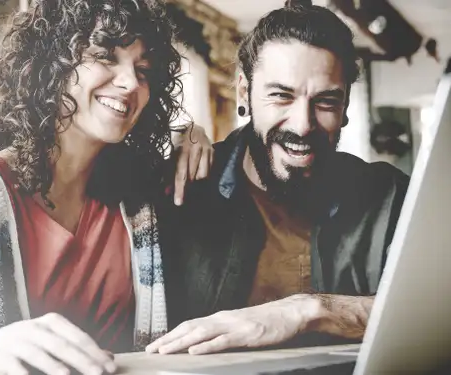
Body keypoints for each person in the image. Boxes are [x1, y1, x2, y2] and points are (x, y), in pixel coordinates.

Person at [0, 1, 212, 374]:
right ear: (52, 64)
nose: (130, 83)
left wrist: (193, 133)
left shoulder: (137, 203)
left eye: (143, 70)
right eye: (105, 57)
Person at [148, 0, 409, 355]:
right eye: (281, 96)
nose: (303, 124)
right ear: (244, 92)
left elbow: (446, 309)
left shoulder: (390, 197)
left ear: (346, 106)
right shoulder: (184, 188)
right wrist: (180, 134)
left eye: (326, 102)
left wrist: (310, 311)